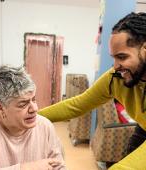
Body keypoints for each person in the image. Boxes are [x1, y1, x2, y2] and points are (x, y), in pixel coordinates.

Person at [39, 12, 146, 170]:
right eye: (114, 58)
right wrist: (31, 117)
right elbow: (78, 105)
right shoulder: (115, 78)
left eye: (122, 57)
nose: (116, 66)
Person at [0, 65, 66, 170]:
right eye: (23, 104)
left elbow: (59, 166)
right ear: (0, 107)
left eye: (34, 99)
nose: (34, 109)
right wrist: (26, 168)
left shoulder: (45, 126)